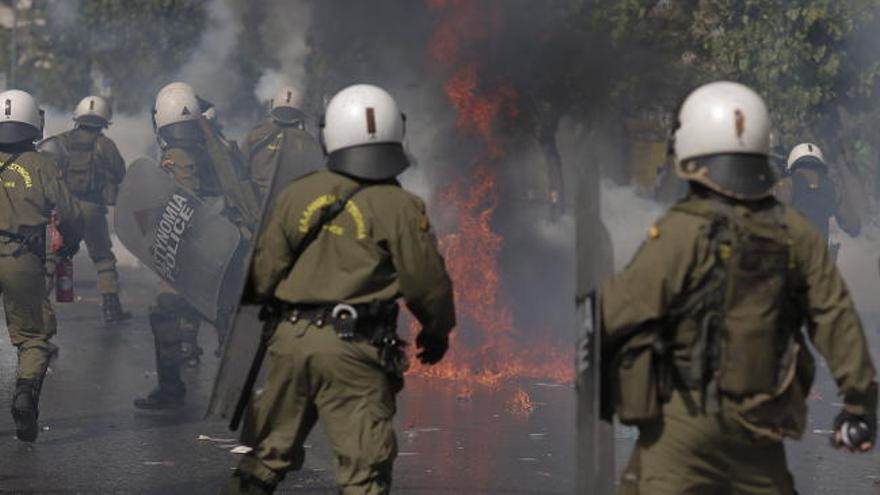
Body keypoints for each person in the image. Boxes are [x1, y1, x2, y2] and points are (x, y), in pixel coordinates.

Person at [601, 81, 877, 494]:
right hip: (760, 433)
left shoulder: (680, 230)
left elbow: (618, 315)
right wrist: (860, 406)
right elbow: (835, 318)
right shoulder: (794, 232)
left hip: (680, 433)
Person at [223, 84, 456, 494]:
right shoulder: (400, 206)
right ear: (393, 133)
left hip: (291, 342)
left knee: (265, 458)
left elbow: (262, 273)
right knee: (363, 474)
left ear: (331, 133)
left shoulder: (296, 194)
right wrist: (436, 332)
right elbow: (426, 284)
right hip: (357, 349)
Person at [133, 82, 242, 408]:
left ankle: (170, 389)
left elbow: (180, 205)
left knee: (166, 311)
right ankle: (240, 387)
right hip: (231, 247)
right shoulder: (220, 147)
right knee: (226, 315)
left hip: (197, 251)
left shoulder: (176, 156)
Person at [0, 89, 83, 441]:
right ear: (34, 121)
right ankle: (24, 396)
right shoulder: (43, 166)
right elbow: (71, 214)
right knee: (33, 336)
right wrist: (71, 244)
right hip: (21, 259)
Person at [50, 95, 130, 322]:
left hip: (64, 208)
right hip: (92, 209)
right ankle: (111, 306)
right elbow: (121, 174)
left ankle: (38, 306)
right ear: (105, 120)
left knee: (54, 256)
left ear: (78, 116)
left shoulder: (62, 141)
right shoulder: (105, 145)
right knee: (103, 256)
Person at [243, 84, 321, 199]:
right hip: (291, 201)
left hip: (258, 201)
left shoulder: (256, 135)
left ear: (272, 107)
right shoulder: (308, 142)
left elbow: (241, 166)